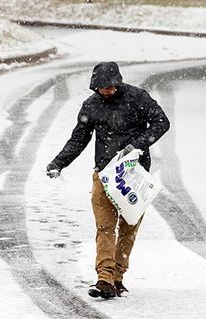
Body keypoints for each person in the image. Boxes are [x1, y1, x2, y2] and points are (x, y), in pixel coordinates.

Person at [46, 61, 170, 299]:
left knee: (128, 227)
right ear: (95, 87)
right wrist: (58, 163)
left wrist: (137, 145)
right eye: (102, 88)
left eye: (111, 87)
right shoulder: (91, 106)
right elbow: (79, 139)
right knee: (104, 227)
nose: (106, 91)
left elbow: (161, 122)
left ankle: (118, 276)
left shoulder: (137, 98)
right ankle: (104, 277)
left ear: (118, 82)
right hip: (103, 174)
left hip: (134, 174)